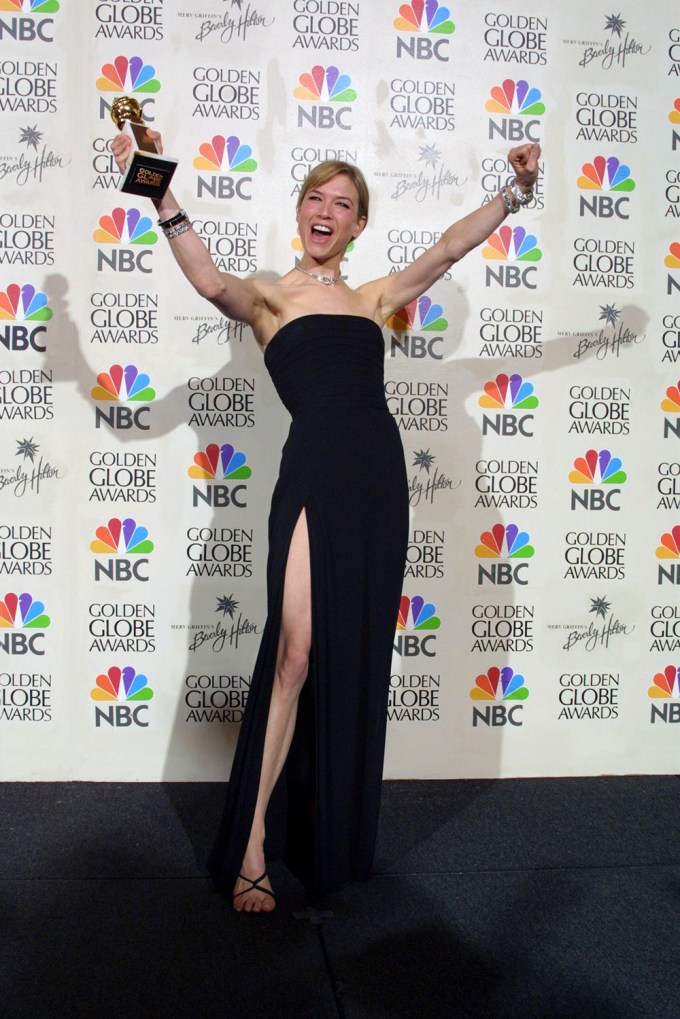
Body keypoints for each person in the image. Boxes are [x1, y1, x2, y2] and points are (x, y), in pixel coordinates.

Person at [112, 130, 541, 913]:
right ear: (300, 211)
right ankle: (251, 847)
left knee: (352, 655)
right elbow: (209, 282)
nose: (327, 210)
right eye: (317, 196)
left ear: (356, 226)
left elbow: (447, 249)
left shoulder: (373, 297)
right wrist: (159, 192)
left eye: (343, 203)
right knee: (296, 651)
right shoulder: (271, 298)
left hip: (377, 477)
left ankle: (324, 830)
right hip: (312, 472)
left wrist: (514, 192)